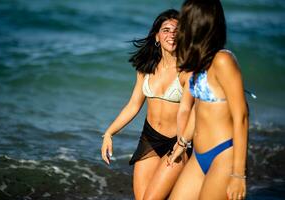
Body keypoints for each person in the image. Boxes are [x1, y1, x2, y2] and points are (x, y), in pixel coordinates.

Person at [101, 9, 193, 200]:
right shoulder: (146, 69)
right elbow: (134, 104)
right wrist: (109, 133)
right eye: (166, 30)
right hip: (149, 139)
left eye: (177, 31)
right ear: (157, 37)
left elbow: (192, 112)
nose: (171, 35)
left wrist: (183, 143)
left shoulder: (187, 72)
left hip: (177, 142)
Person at [167, 0, 249, 200]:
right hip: (198, 156)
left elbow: (242, 116)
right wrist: (182, 142)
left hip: (223, 156)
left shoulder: (223, 60)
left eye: (185, 19)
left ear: (197, 23)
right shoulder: (200, 63)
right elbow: (198, 108)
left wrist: (238, 174)